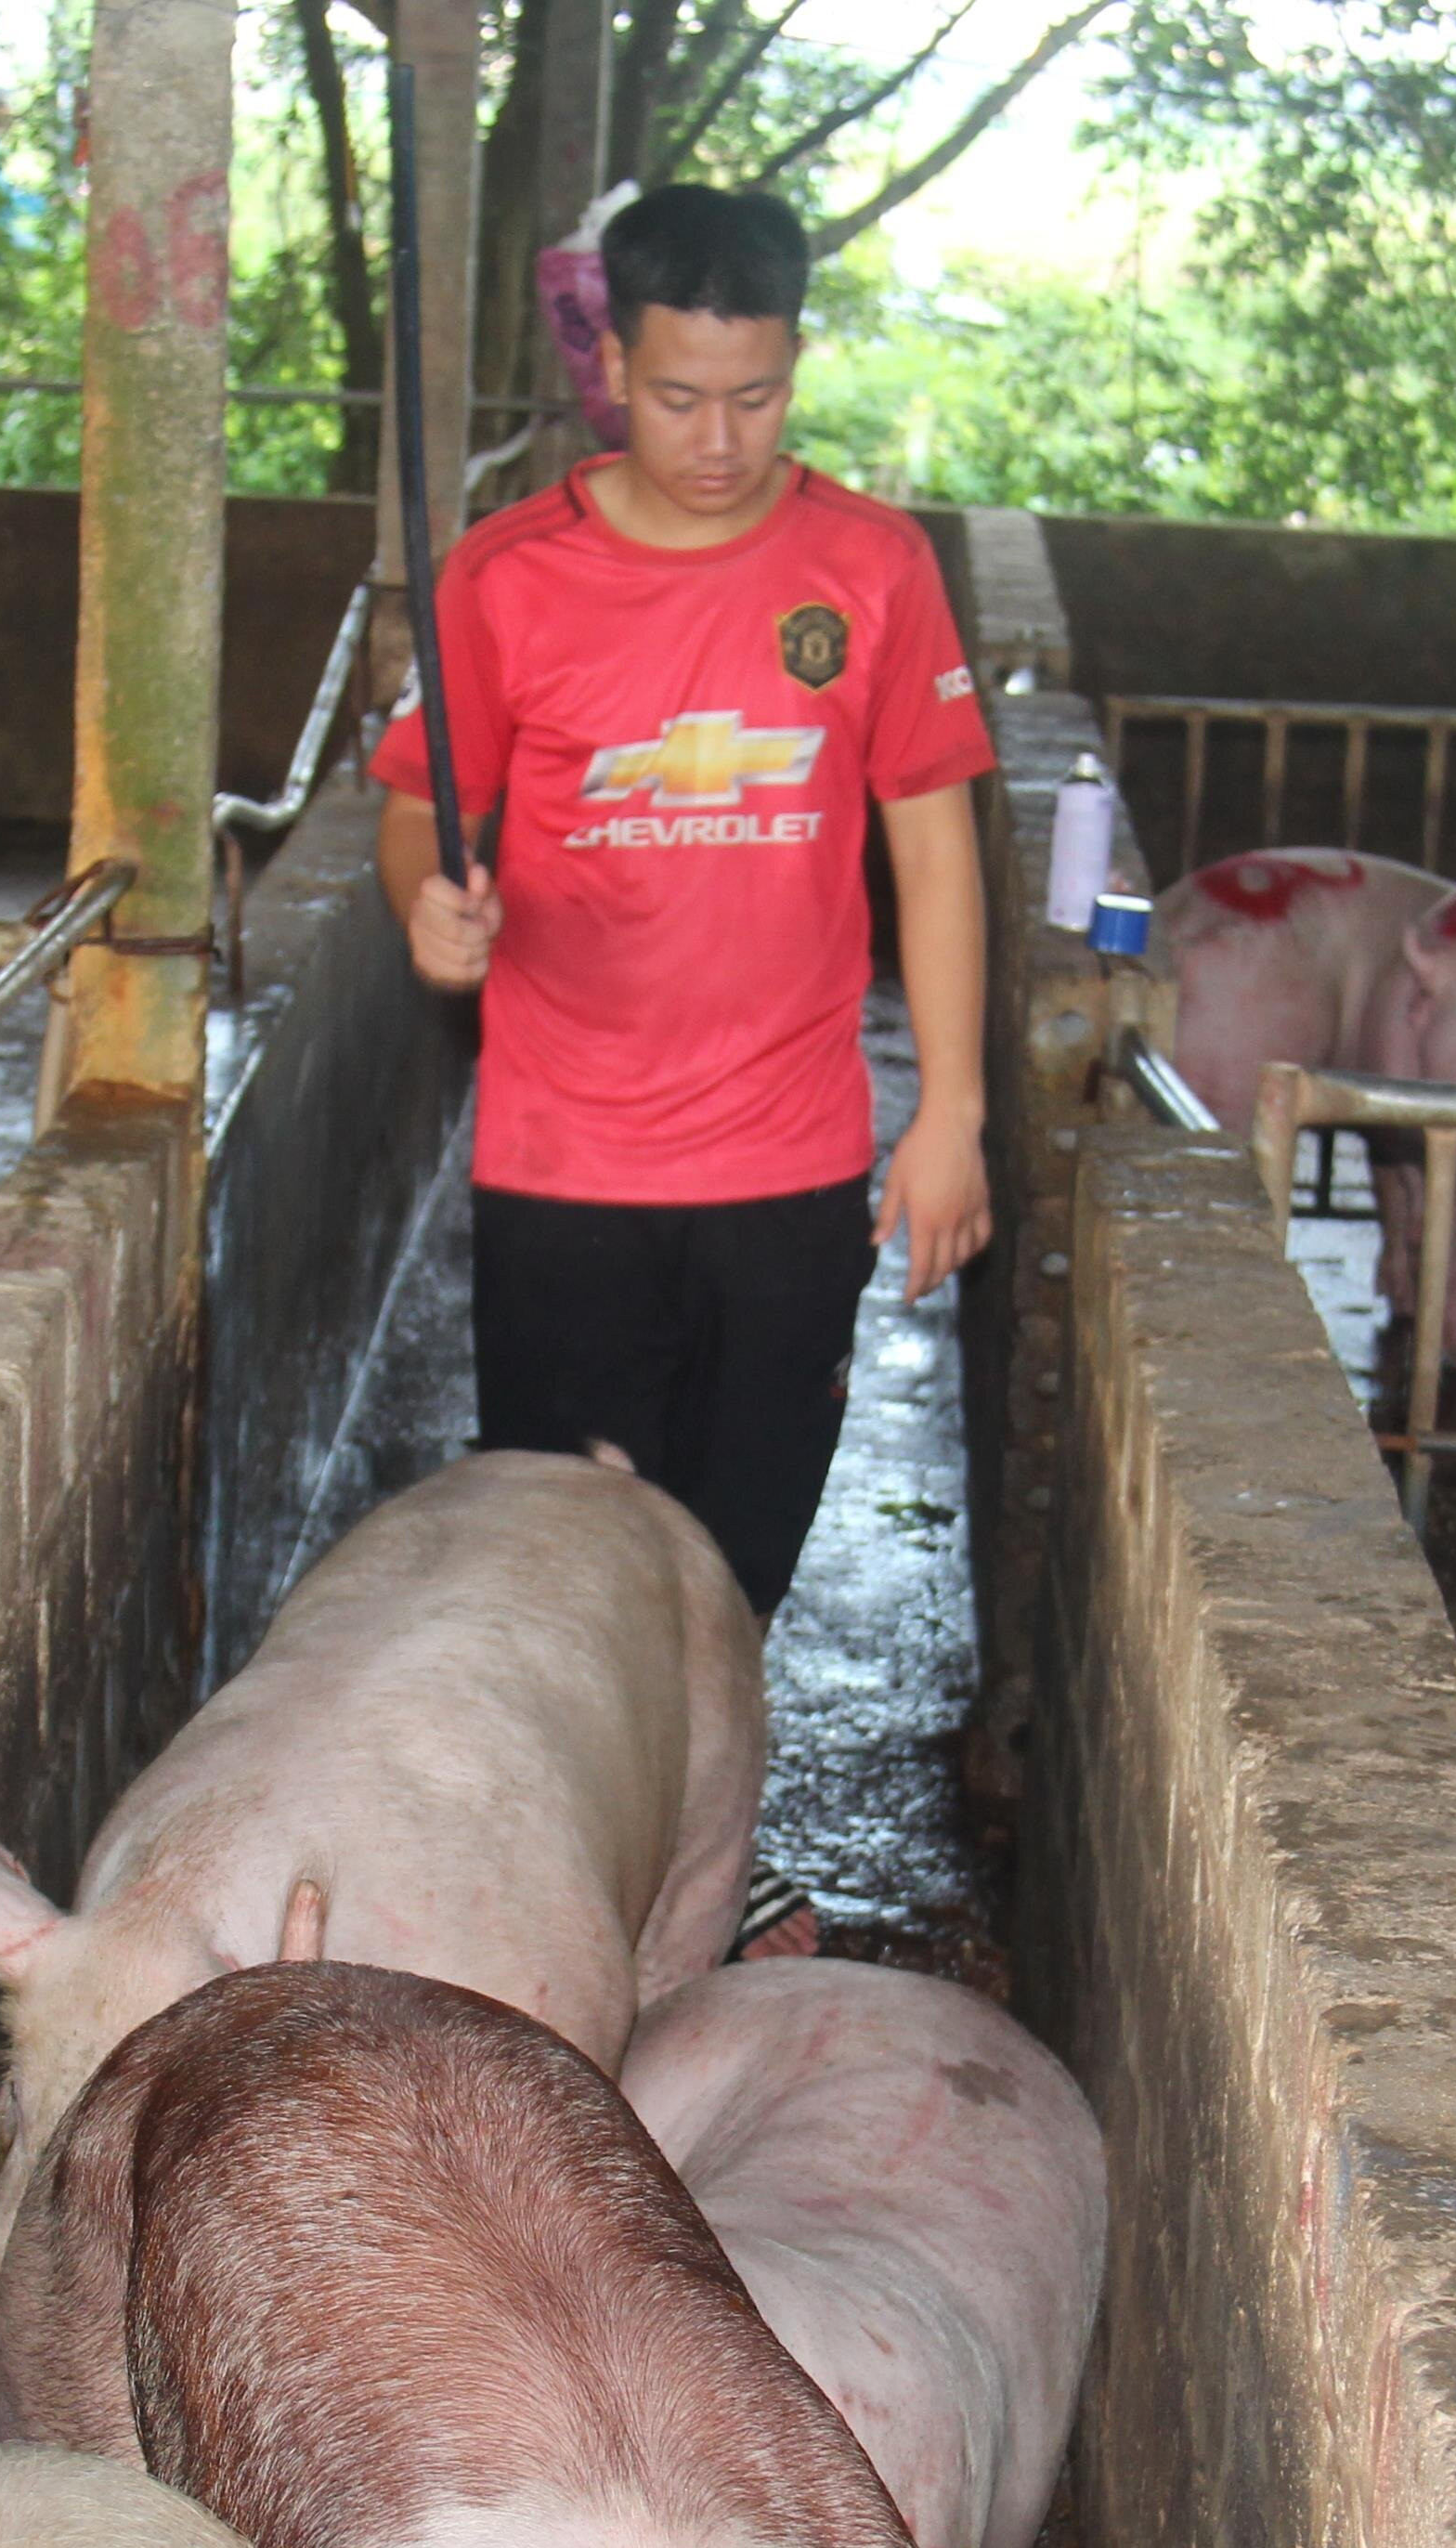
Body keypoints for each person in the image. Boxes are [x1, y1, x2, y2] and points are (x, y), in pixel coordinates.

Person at [375, 180, 994, 1629]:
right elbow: (420, 811)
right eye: (676, 397)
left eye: (757, 396)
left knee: (732, 1591)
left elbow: (936, 843)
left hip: (791, 1174)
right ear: (607, 369)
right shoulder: (505, 577)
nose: (719, 441)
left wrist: (952, 1111)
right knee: (557, 1592)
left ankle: (702, 1861)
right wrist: (430, 908)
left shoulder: (873, 568)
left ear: (795, 365)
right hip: (563, 1171)